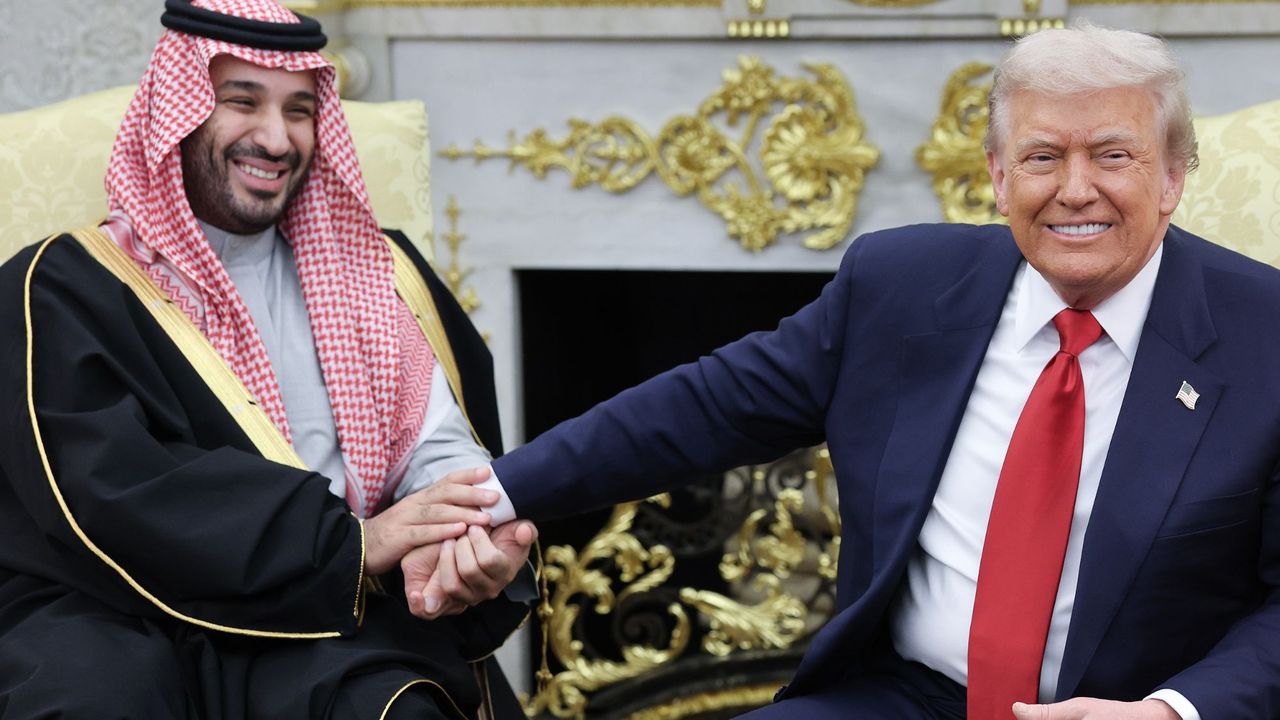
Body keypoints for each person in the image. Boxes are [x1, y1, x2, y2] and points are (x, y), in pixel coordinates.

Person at [421, 24, 1280, 720]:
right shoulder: (901, 287)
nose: (1076, 189)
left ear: (1173, 177)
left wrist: (1174, 710)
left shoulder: (1264, 337)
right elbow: (704, 407)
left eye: (1114, 155)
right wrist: (491, 497)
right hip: (905, 696)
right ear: (996, 174)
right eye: (1043, 156)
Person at [0, 0, 536, 717]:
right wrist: (351, 543)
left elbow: (442, 457)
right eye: (241, 101)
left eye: (300, 110)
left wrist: (469, 541)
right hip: (110, 607)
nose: (277, 138)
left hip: (318, 612)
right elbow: (112, 491)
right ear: (177, 111)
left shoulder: (377, 273)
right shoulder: (59, 286)